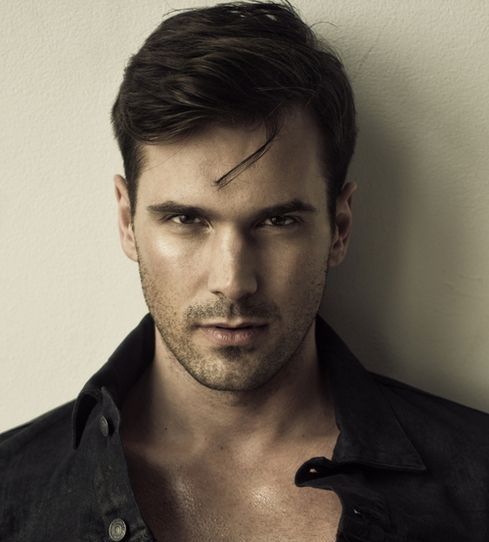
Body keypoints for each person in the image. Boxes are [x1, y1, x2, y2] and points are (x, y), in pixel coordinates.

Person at [1, 1, 488, 541]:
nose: (233, 282)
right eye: (186, 219)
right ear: (127, 221)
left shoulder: (477, 481)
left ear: (339, 227)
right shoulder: (11, 494)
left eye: (278, 221)